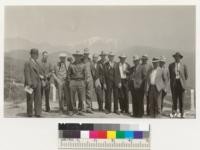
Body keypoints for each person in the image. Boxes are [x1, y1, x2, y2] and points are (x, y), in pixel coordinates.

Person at [24, 48, 43, 117]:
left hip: (38, 83)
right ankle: (30, 113)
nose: (37, 55)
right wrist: (29, 83)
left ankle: (38, 113)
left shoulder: (37, 63)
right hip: (30, 84)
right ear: (32, 54)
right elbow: (26, 73)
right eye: (36, 54)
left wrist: (41, 76)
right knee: (30, 99)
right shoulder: (27, 62)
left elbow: (38, 73)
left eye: (37, 54)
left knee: (38, 99)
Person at [169, 52, 188, 118]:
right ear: (174, 57)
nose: (177, 58)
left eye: (178, 57)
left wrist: (182, 81)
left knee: (181, 100)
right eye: (176, 57)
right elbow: (170, 76)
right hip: (174, 84)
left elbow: (186, 76)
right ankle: (174, 113)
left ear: (180, 58)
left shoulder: (184, 65)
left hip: (181, 84)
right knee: (174, 99)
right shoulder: (171, 65)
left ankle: (182, 113)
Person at [68, 50, 88, 115]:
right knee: (72, 96)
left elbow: (85, 75)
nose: (77, 57)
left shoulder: (83, 65)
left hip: (81, 81)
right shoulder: (71, 65)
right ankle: (72, 110)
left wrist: (84, 82)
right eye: (76, 56)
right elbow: (68, 75)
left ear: (80, 57)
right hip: (73, 81)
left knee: (81, 96)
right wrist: (70, 82)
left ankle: (80, 110)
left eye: (78, 56)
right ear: (74, 57)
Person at [82, 48, 93, 113]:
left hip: (90, 79)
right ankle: (83, 108)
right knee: (82, 94)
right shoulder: (81, 61)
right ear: (84, 54)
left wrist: (92, 79)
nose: (86, 55)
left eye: (87, 54)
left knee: (89, 94)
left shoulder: (90, 61)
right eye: (85, 54)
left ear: (88, 54)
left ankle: (89, 108)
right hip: (82, 79)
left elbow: (93, 71)